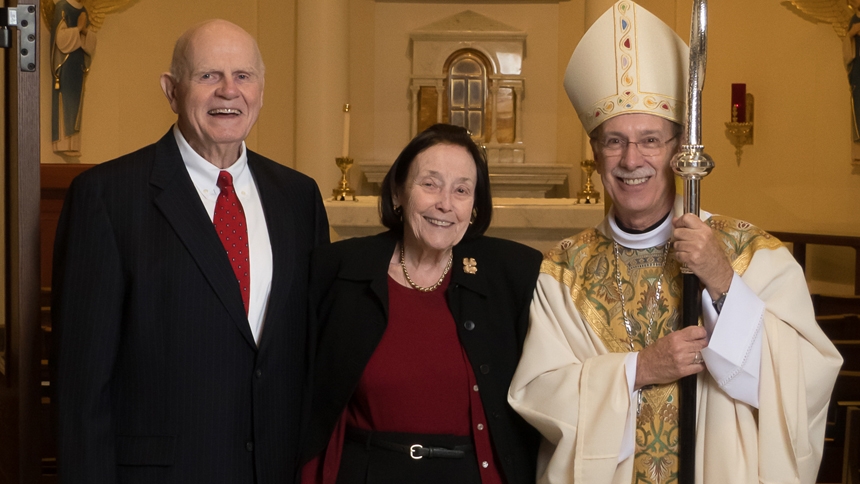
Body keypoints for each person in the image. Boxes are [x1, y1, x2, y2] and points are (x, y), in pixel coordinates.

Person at [508, 2, 842, 483]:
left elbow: (806, 379)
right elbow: (539, 394)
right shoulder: (563, 270)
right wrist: (638, 369)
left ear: (679, 151)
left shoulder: (752, 252)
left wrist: (722, 280)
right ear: (596, 154)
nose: (631, 159)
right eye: (613, 141)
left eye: (650, 140)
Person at [52, 19, 329, 484]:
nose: (228, 91)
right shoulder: (107, 197)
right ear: (171, 89)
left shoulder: (299, 198)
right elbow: (81, 387)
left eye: (243, 76)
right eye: (208, 76)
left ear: (261, 90)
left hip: (279, 469)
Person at [301, 124, 541, 484]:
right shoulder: (338, 271)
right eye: (429, 184)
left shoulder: (514, 276)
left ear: (474, 206)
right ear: (398, 192)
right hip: (367, 474)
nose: (445, 203)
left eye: (462, 190)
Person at [49, 0, 96, 156]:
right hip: (65, 64)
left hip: (78, 65)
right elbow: (60, 39)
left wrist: (84, 32)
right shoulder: (62, 6)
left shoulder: (84, 9)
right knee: (65, 100)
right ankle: (63, 143)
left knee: (77, 103)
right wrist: (79, 29)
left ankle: (74, 144)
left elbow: (90, 41)